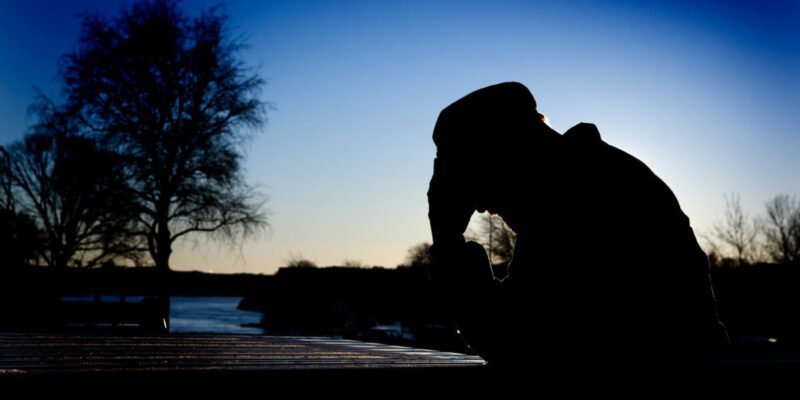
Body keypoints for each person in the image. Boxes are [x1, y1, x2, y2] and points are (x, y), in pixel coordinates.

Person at [427, 82, 728, 365]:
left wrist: (447, 243)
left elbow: (514, 344)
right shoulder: (586, 178)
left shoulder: (576, 197)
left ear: (505, 153)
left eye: (477, 180)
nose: (481, 205)